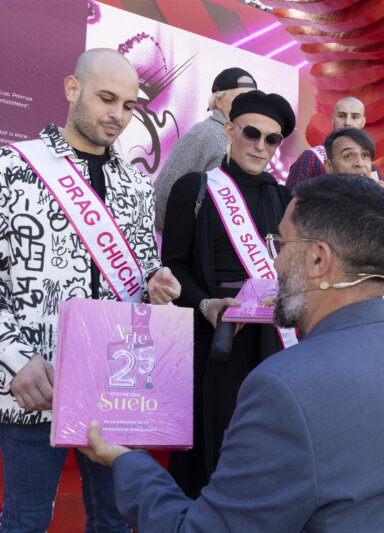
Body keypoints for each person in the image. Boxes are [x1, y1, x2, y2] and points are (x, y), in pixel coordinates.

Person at [82, 174, 384, 532]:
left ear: (318, 259)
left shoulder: (283, 388)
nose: (274, 263)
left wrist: (129, 462)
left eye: (281, 244)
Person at [0, 48, 181, 532]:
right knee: (26, 520)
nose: (118, 115)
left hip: (116, 381)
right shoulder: (8, 166)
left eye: (128, 105)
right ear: (73, 89)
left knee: (116, 520)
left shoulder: (137, 186)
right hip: (35, 379)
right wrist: (15, 360)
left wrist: (156, 281)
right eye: (106, 98)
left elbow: (142, 265)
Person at [161, 89, 296, 497]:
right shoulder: (195, 188)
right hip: (214, 337)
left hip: (272, 342)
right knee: (210, 449)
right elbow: (175, 266)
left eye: (272, 139)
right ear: (230, 131)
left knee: (266, 447)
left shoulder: (284, 197)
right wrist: (205, 304)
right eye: (251, 133)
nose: (260, 146)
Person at [153, 67, 257, 234]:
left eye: (253, 99)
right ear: (219, 101)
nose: (249, 105)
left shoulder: (256, 141)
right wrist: (189, 239)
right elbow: (163, 196)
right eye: (240, 98)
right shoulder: (202, 135)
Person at [285, 96, 382, 189]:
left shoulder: (371, 168)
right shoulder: (311, 157)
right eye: (341, 116)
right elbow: (291, 198)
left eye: (355, 117)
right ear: (333, 118)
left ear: (363, 122)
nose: (348, 122)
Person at [321, 127, 384, 193]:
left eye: (365, 155)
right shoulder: (318, 200)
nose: (360, 163)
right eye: (348, 156)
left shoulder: (380, 195)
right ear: (329, 166)